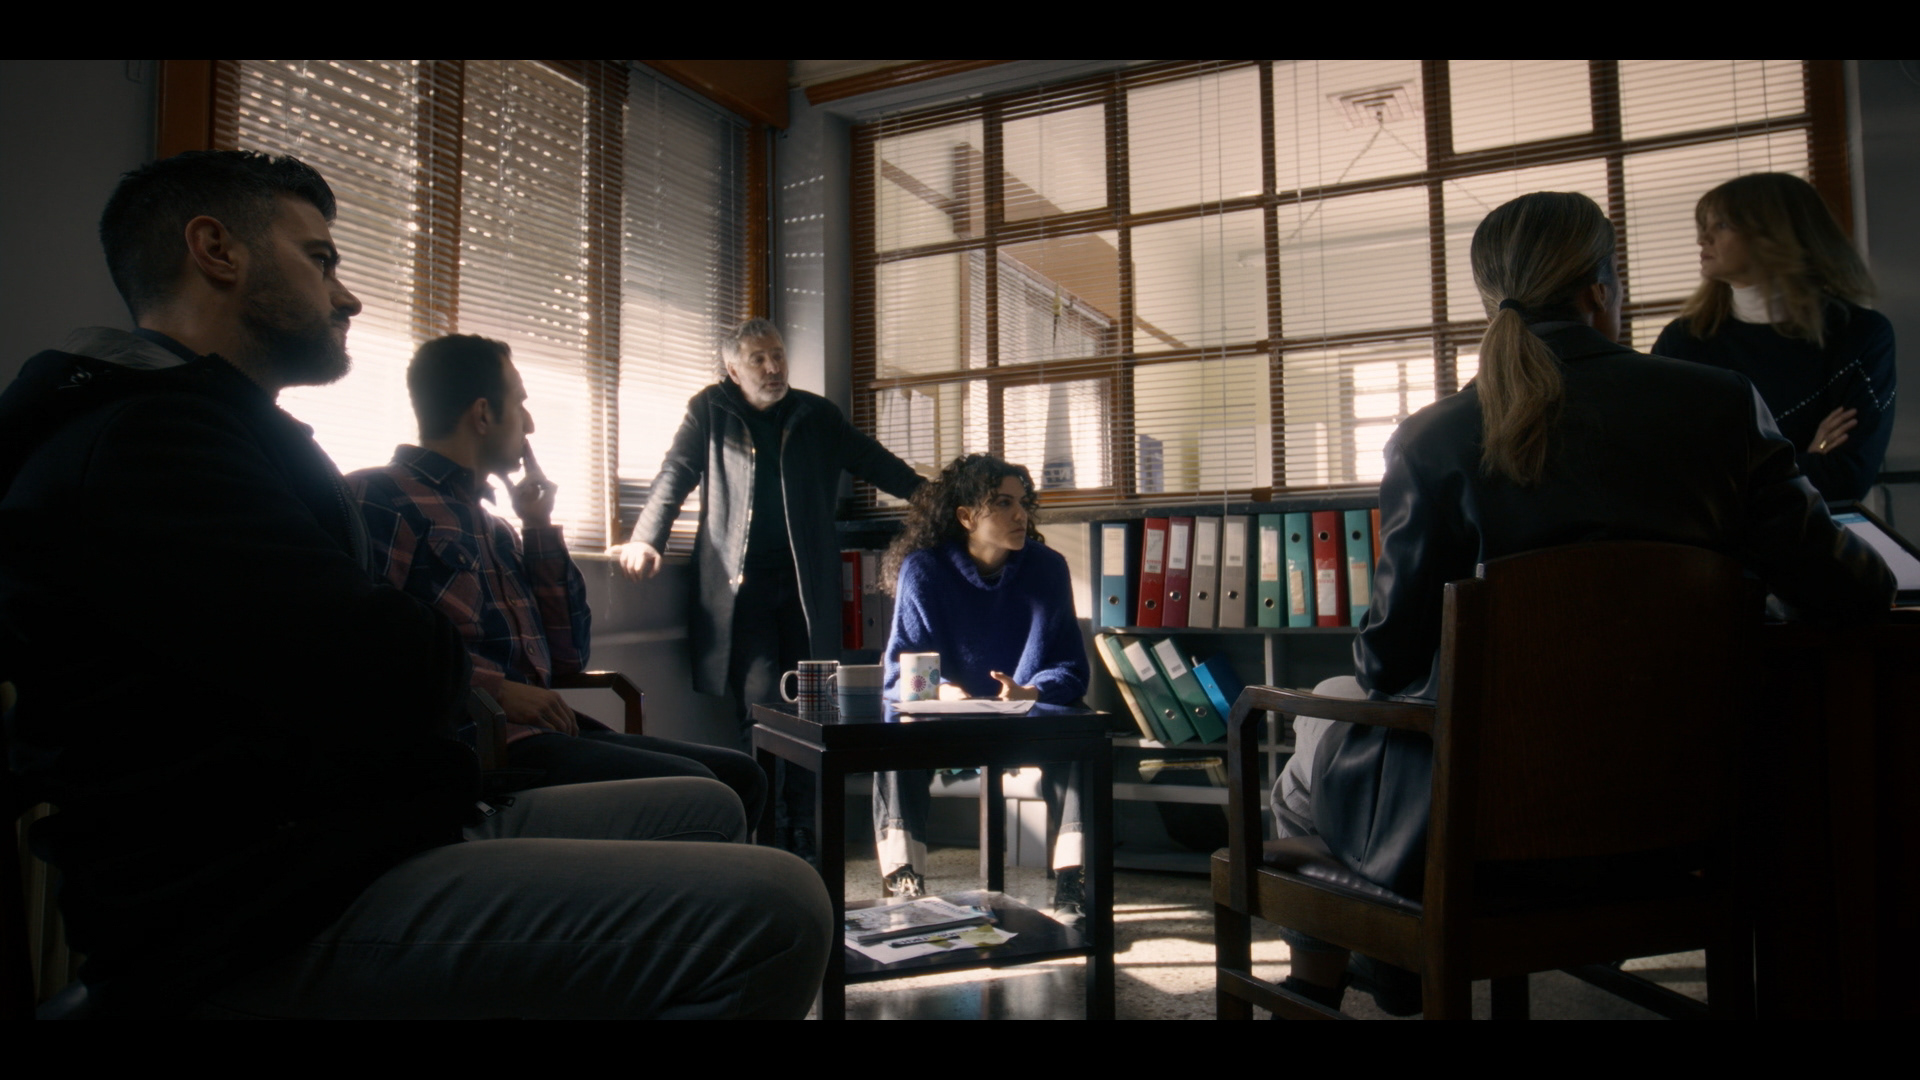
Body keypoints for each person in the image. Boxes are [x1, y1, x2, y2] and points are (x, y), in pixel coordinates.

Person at [0, 150, 829, 1018]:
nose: (348, 296)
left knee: (711, 800)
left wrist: (536, 534)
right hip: (280, 899)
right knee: (778, 910)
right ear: (217, 250)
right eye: (320, 259)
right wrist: (468, 684)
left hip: (375, 825)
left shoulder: (258, 447)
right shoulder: (156, 447)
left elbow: (542, 651)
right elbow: (383, 667)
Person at [1269, 191, 1894, 1013]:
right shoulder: (1722, 404)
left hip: (1479, 837)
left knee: (1313, 727)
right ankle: (1386, 960)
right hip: (1685, 825)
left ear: (1492, 297)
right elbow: (1856, 591)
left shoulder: (1435, 437)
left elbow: (1387, 666)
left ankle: (1343, 974)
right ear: (1601, 288)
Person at [346, 334, 765, 821]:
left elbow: (568, 654)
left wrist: (539, 528)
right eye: (520, 404)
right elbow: (365, 647)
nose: (529, 424)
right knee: (700, 791)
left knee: (740, 774)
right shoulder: (381, 497)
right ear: (483, 414)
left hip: (540, 737)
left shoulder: (497, 529)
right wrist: (494, 690)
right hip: (475, 748)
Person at [616, 317, 924, 854]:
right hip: (743, 592)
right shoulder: (709, 410)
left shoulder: (816, 415)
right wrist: (647, 539)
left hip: (808, 588)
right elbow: (675, 473)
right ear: (733, 369)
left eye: (777, 354)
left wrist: (935, 500)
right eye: (758, 359)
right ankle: (766, 830)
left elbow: (876, 462)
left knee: (815, 706)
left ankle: (804, 826)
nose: (773, 366)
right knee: (759, 707)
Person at [870, 454, 1090, 918]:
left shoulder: (1048, 568)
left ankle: (1073, 880)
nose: (1020, 514)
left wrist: (1031, 692)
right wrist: (940, 692)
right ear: (966, 517)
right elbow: (901, 670)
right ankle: (904, 878)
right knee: (894, 737)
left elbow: (1071, 667)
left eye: (1022, 503)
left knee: (1080, 737)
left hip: (1021, 720)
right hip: (945, 723)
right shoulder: (923, 570)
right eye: (1003, 503)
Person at [1652, 172, 1896, 503]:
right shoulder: (1682, 341)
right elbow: (1667, 473)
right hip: (1710, 537)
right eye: (1703, 227)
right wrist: (1799, 460)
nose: (1702, 239)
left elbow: (1845, 479)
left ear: (1777, 233)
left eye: (1721, 225)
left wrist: (1730, 468)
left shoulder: (1859, 335)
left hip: (1811, 534)